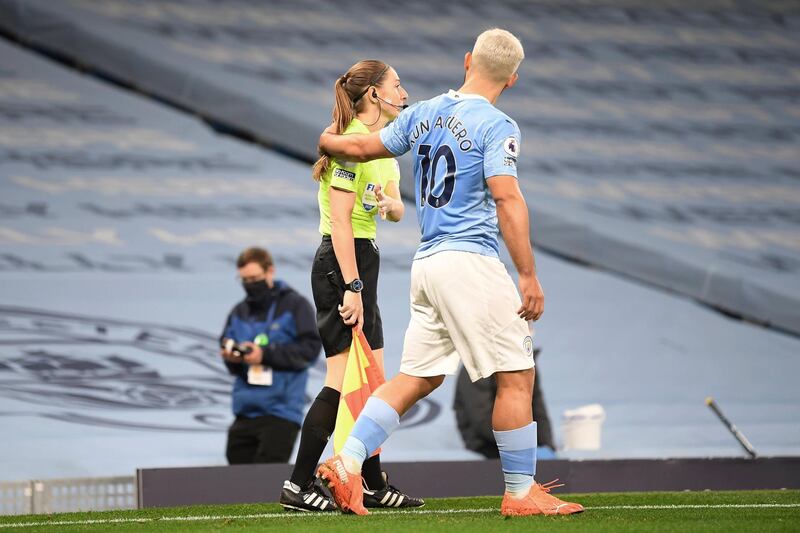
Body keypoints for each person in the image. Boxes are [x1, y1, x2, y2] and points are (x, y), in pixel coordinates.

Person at [315, 29, 584, 516]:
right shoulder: (498, 125)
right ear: (513, 79)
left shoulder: (423, 112)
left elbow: (357, 149)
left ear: (466, 62)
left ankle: (347, 463)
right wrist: (527, 275)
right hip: (470, 262)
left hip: (428, 264)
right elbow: (506, 197)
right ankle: (521, 493)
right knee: (517, 375)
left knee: (418, 376)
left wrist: (325, 138)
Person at [279, 59, 424, 513]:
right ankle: (299, 484)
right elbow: (340, 223)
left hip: (365, 261)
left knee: (374, 384)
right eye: (397, 86)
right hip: (341, 266)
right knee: (341, 380)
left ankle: (374, 483)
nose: (404, 93)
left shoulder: (383, 147)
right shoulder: (346, 145)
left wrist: (387, 204)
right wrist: (352, 285)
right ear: (375, 95)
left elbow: (399, 209)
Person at [220, 247, 322, 465]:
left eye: (255, 278)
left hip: (281, 412)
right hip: (244, 411)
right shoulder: (239, 312)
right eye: (244, 279)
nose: (250, 284)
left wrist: (265, 355)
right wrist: (233, 359)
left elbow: (310, 350)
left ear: (270, 272)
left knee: (265, 482)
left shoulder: (295, 305)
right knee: (234, 485)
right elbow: (227, 349)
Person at [454, 348, 557, 459]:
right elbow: (480, 420)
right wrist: (519, 447)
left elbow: (538, 409)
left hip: (521, 443)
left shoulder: (526, 364)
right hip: (486, 446)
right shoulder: (477, 367)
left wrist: (547, 445)